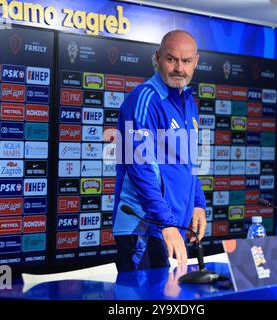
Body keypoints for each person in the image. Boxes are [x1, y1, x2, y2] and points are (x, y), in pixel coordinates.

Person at [113, 30, 207, 272]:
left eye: (186, 61)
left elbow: (190, 160)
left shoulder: (188, 102)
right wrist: (166, 223)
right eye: (171, 59)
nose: (179, 68)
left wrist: (197, 203)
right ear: (157, 58)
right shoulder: (144, 99)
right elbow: (140, 168)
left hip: (171, 227)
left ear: (196, 61)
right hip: (144, 227)